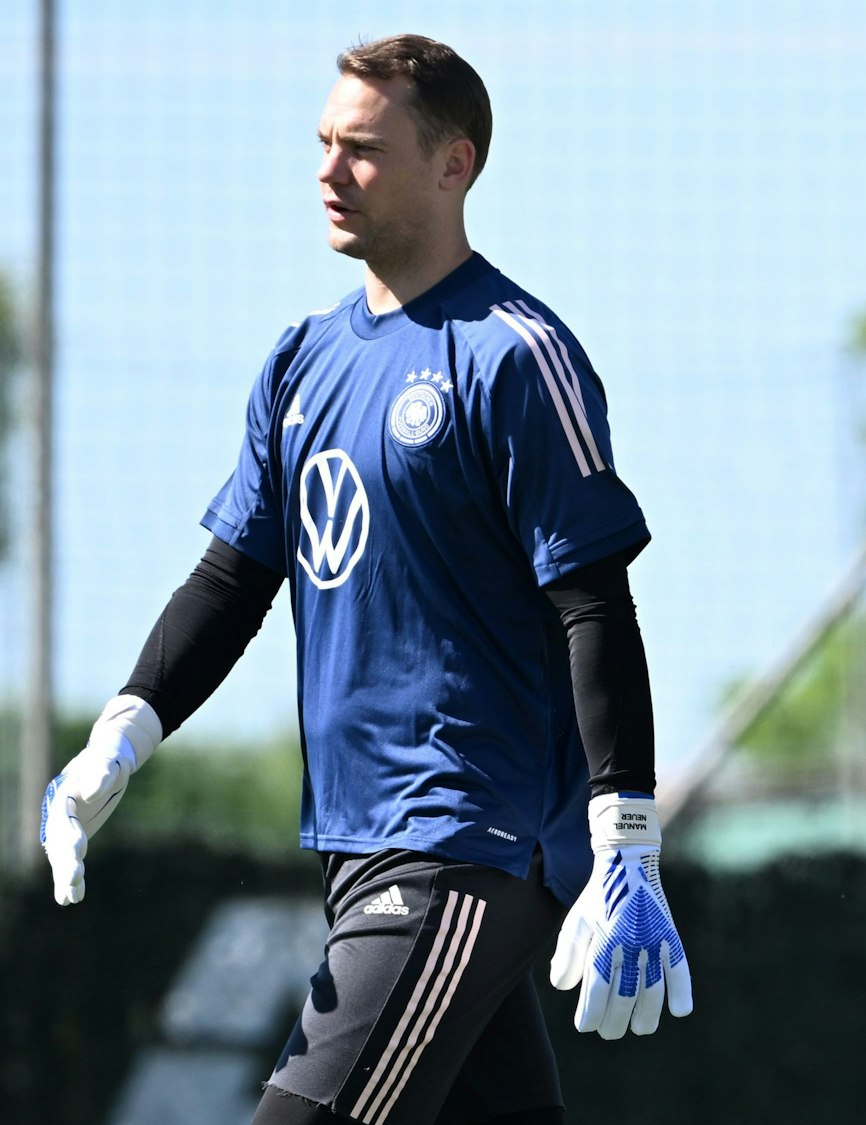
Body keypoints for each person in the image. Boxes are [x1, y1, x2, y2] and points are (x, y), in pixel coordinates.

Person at [37, 35, 691, 1125]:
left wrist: (627, 838)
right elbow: (231, 578)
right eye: (324, 145)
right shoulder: (301, 361)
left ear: (455, 166)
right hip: (357, 841)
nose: (330, 173)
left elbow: (594, 604)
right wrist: (120, 734)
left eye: (364, 151)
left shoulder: (514, 354)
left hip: (460, 844)